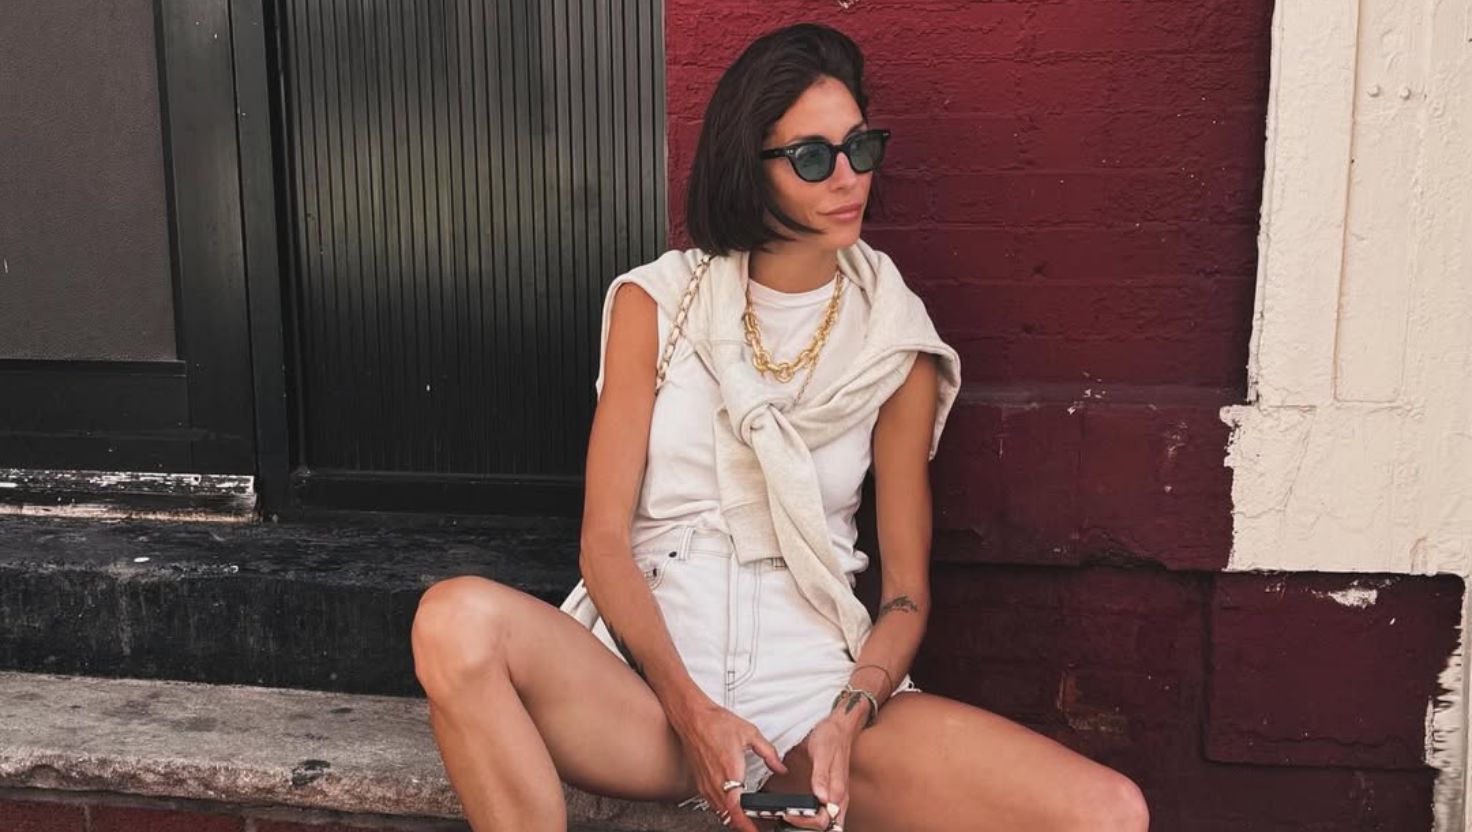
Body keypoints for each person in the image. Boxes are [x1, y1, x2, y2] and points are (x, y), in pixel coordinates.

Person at [411, 22, 1149, 832]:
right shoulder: (656, 303)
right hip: (648, 699)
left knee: (1107, 813)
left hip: (811, 701)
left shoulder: (895, 342)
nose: (847, 177)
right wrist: (691, 713)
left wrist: (848, 718)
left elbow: (904, 596)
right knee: (453, 620)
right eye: (812, 157)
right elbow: (604, 543)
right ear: (748, 166)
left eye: (859, 147)